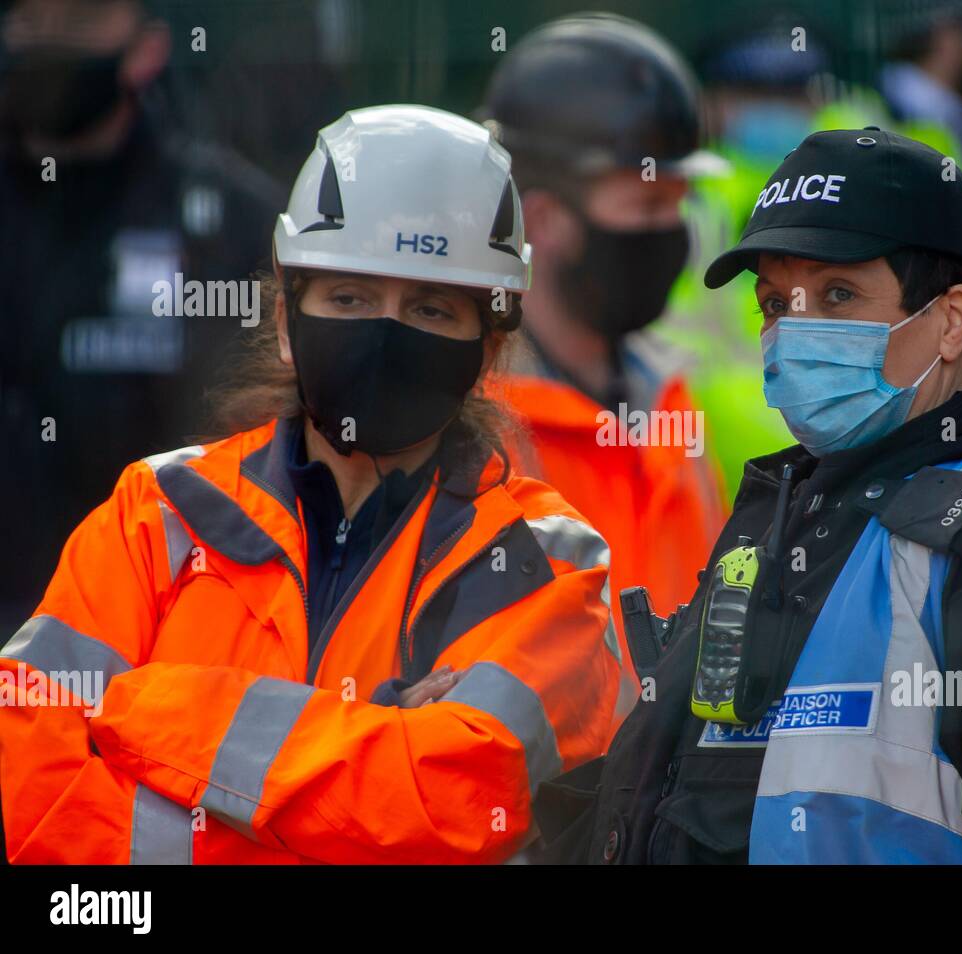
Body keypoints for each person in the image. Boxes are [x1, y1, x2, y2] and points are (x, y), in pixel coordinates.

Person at [535, 126, 962, 864]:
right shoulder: (791, 508)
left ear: (951, 321)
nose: (794, 331)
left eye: (839, 294)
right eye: (775, 303)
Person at [0, 105, 619, 864]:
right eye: (350, 298)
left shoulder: (544, 565)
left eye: (429, 308)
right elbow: (25, 783)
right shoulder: (157, 512)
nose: (384, 334)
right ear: (290, 323)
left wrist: (147, 704)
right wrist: (370, 749)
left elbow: (449, 803)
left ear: (487, 354)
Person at [0, 0, 283, 633]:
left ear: (146, 47)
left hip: (152, 643)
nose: (49, 43)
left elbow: (265, 448)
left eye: (77, 22)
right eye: (29, 22)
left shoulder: (229, 225)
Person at [479, 14, 727, 719]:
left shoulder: (670, 403)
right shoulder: (476, 418)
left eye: (678, 206)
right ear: (546, 219)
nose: (669, 235)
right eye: (647, 203)